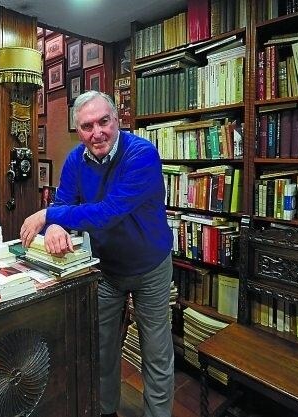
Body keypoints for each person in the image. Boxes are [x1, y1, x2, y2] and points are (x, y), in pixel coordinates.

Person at [20, 91, 174, 417]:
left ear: (117, 119)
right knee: (102, 349)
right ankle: (106, 412)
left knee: (156, 353)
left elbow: (107, 213)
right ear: (78, 130)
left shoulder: (141, 154)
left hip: (150, 265)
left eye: (104, 121)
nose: (97, 132)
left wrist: (49, 217)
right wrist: (57, 225)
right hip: (104, 268)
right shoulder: (76, 159)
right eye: (88, 126)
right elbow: (64, 201)